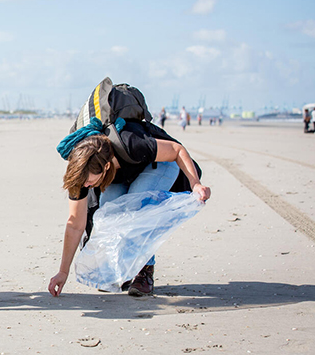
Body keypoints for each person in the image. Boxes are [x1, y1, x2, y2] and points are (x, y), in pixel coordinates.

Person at [48, 117, 211, 298]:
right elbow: (75, 224)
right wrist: (63, 272)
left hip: (159, 164)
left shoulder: (130, 144)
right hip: (121, 173)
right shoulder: (79, 174)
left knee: (137, 209)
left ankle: (144, 271)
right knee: (109, 212)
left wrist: (195, 184)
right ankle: (124, 270)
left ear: (106, 166)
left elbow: (176, 150)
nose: (86, 185)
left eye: (89, 181)